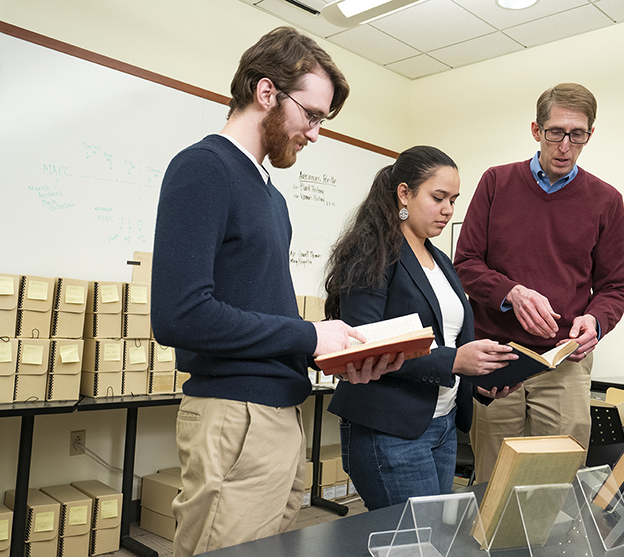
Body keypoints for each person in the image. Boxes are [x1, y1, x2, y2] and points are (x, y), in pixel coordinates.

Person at [151, 27, 403, 555]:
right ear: (266, 92)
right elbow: (180, 315)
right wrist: (308, 335)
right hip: (235, 415)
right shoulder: (204, 168)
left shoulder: (272, 197)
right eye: (311, 115)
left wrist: (330, 354)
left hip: (282, 414)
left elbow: (259, 310)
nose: (315, 133)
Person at [453, 83, 624, 482]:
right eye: (556, 133)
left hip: (563, 362)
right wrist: (511, 293)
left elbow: (616, 286)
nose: (565, 146)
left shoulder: (606, 200)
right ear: (536, 130)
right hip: (498, 360)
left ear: (589, 135)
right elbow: (465, 263)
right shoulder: (496, 182)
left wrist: (596, 321)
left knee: (555, 482)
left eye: (577, 135)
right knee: (493, 482)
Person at [323, 145, 519, 511]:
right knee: (417, 536)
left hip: (443, 423)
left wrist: (481, 380)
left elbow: (448, 340)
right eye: (438, 198)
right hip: (391, 428)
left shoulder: (440, 260)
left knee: (432, 535)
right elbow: (364, 344)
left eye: (453, 200)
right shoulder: (372, 253)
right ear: (404, 193)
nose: (448, 210)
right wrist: (454, 362)